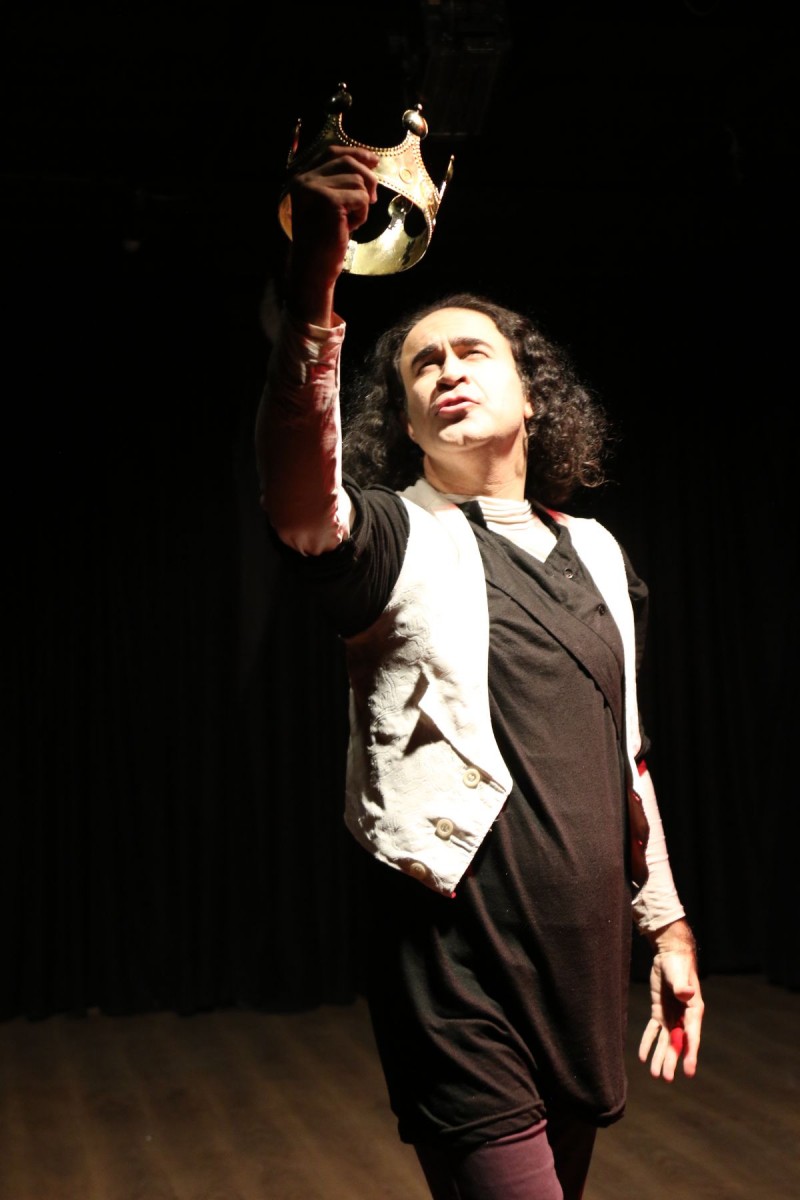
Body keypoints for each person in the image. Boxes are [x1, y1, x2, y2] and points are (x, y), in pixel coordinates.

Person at [255, 142, 704, 1200]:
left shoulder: (598, 552)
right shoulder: (391, 534)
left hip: (582, 972)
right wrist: (315, 292)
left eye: (472, 353)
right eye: (423, 366)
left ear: (531, 395)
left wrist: (667, 923)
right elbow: (298, 502)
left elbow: (625, 759)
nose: (447, 370)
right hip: (451, 975)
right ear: (406, 420)